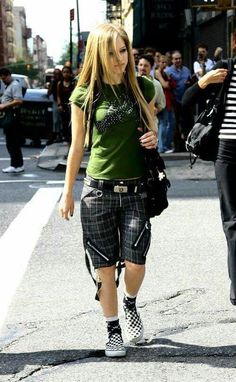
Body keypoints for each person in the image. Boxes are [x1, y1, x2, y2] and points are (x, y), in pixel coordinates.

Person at [59, 23, 157, 358]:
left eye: (124, 50)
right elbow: (76, 147)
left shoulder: (142, 86)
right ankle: (113, 328)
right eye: (113, 52)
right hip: (97, 192)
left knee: (135, 263)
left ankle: (130, 304)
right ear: (100, 54)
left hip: (135, 191)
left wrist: (153, 136)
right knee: (104, 269)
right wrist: (67, 192)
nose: (121, 59)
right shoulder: (85, 93)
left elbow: (153, 123)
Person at [182, 37, 236, 306]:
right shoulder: (225, 70)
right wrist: (204, 81)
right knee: (233, 221)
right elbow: (186, 99)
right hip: (226, 152)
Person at [165, 50, 193, 152]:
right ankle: (177, 147)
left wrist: (189, 82)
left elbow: (191, 82)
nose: (178, 60)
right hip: (174, 102)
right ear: (172, 60)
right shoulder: (168, 71)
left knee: (187, 124)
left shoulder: (186, 70)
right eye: (176, 59)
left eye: (180, 58)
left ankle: (187, 145)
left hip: (185, 101)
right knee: (175, 124)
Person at [137, 54, 166, 147]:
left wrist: (154, 111)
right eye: (140, 65)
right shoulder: (131, 82)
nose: (142, 68)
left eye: (146, 65)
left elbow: (161, 104)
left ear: (151, 67)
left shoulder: (156, 84)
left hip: (150, 126)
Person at [0, 67, 24, 173]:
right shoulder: (9, 85)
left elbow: (18, 100)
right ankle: (15, 164)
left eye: (4, 78)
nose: (3, 80)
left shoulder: (14, 85)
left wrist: (4, 106)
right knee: (10, 141)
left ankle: (17, 165)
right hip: (9, 114)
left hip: (12, 115)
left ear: (9, 75)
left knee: (13, 141)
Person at [155, 54, 176, 153]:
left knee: (169, 123)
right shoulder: (158, 72)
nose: (163, 64)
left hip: (167, 101)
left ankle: (164, 146)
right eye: (161, 62)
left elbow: (171, 84)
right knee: (163, 124)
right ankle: (161, 147)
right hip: (161, 101)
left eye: (165, 62)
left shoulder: (164, 73)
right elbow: (165, 85)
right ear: (158, 63)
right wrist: (168, 81)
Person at [57, 65, 75, 143]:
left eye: (67, 72)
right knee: (64, 124)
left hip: (71, 106)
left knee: (71, 123)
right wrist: (59, 105)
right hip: (63, 106)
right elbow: (58, 95)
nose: (66, 74)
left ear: (70, 73)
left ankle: (72, 140)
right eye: (64, 72)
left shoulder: (73, 83)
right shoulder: (60, 83)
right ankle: (67, 139)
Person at [47, 68, 62, 143]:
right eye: (55, 74)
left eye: (58, 74)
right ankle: (56, 134)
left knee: (60, 120)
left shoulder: (62, 82)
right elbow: (48, 93)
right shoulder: (53, 82)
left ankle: (60, 134)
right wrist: (51, 84)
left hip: (63, 102)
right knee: (55, 120)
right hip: (56, 102)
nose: (56, 75)